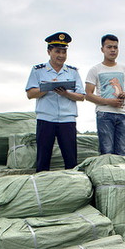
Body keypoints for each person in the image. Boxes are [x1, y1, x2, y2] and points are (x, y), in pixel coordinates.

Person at [25, 32, 86, 171]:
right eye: (57, 51)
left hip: (67, 119)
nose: (61, 55)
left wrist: (65, 93)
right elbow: (30, 93)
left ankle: (72, 186)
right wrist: (47, 88)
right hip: (46, 118)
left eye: (64, 52)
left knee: (71, 159)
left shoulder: (73, 72)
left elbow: (81, 96)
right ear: (49, 51)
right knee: (43, 158)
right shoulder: (38, 70)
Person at [85, 34, 125, 155]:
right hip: (104, 114)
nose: (113, 50)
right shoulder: (95, 70)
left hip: (123, 114)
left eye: (115, 47)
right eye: (109, 47)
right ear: (102, 49)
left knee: (122, 151)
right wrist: (109, 101)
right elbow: (88, 94)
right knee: (106, 150)